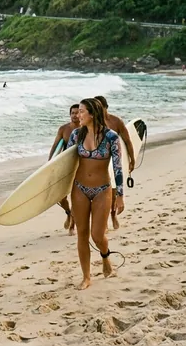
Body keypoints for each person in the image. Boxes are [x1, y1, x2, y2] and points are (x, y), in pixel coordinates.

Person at [67, 98, 123, 290]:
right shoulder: (76, 135)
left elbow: (117, 167)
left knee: (97, 235)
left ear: (92, 114)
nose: (78, 115)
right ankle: (86, 277)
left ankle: (105, 257)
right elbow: (65, 165)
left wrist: (120, 195)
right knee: (82, 234)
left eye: (81, 111)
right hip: (79, 189)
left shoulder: (111, 137)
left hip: (102, 190)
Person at [94, 96, 135, 230]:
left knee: (113, 191)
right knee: (101, 193)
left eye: (99, 107)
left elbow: (127, 141)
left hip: (114, 161)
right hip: (100, 162)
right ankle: (104, 219)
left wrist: (132, 159)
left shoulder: (116, 121)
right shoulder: (93, 123)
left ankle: (113, 214)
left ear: (106, 107)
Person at [50, 104, 80, 235]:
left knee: (75, 197)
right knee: (61, 197)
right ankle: (69, 213)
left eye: (77, 113)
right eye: (72, 113)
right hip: (65, 167)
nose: (75, 115)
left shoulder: (86, 129)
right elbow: (55, 146)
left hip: (80, 167)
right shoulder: (64, 129)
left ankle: (73, 225)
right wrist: (49, 164)